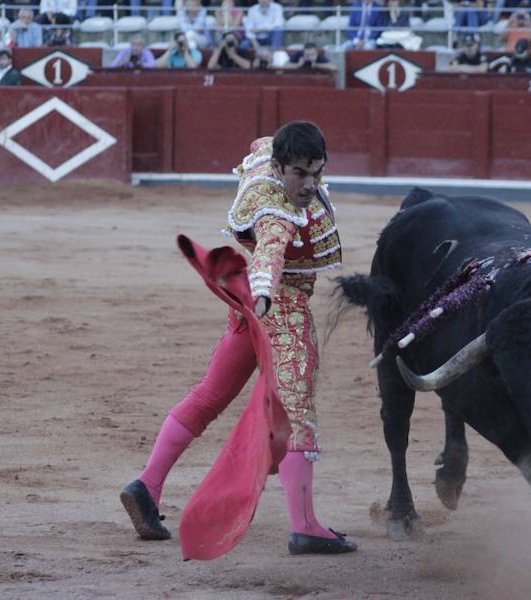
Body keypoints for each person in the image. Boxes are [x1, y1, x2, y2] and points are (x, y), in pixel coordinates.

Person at [120, 121, 357, 556]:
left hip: (246, 309)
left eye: (315, 173)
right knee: (297, 413)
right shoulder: (275, 214)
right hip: (277, 309)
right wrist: (265, 293)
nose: (308, 184)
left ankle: (146, 486)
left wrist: (256, 300)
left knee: (209, 395)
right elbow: (269, 252)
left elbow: (260, 142)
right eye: (298, 174)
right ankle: (305, 527)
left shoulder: (267, 159)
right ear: (280, 167)